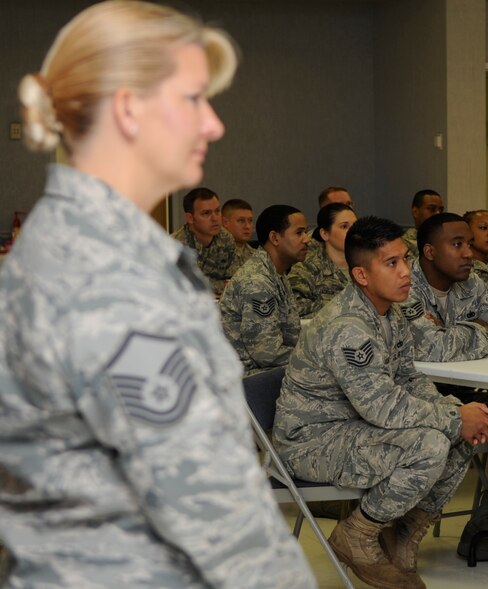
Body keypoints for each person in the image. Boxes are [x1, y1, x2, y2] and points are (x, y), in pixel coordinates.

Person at [0, 2, 314, 587]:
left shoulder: (89, 244)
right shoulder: (108, 275)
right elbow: (202, 496)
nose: (213, 125)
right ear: (127, 109)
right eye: (193, 99)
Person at [274, 216, 488, 589]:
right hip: (312, 441)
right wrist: (452, 417)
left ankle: (403, 535)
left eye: (406, 260)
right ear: (362, 276)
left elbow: (408, 379)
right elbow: (383, 406)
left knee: (463, 432)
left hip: (356, 426)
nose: (406, 273)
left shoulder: (388, 312)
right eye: (391, 263)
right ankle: (360, 533)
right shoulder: (348, 326)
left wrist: (457, 412)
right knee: (431, 442)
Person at [401, 213, 488, 566]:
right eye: (458, 245)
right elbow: (429, 347)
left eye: (469, 243)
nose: (469, 253)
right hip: (415, 396)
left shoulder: (472, 283)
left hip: (463, 389)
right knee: (473, 424)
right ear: (430, 252)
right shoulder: (406, 285)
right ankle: (402, 532)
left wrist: (468, 331)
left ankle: (485, 527)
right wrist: (481, 330)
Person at [220, 205, 309, 375]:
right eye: (299, 233)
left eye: (306, 232)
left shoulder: (275, 273)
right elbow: (266, 353)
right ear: (275, 238)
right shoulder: (257, 281)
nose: (306, 239)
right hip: (246, 378)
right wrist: (314, 359)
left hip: (266, 371)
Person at [289, 202, 357, 317]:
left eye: (355, 226)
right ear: (325, 234)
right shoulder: (307, 268)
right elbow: (293, 306)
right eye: (344, 226)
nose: (353, 232)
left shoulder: (367, 265)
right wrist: (338, 308)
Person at [172, 186, 237, 296]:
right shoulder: (176, 245)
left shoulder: (226, 238)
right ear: (190, 218)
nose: (215, 218)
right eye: (206, 213)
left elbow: (233, 282)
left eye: (217, 211)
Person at [403, 189, 445, 258]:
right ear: (415, 212)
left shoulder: (444, 240)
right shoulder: (404, 243)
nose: (438, 213)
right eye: (432, 209)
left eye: (440, 210)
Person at [221, 197, 255, 275]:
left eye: (250, 221)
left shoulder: (256, 256)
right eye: (241, 220)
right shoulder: (214, 253)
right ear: (225, 222)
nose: (247, 226)